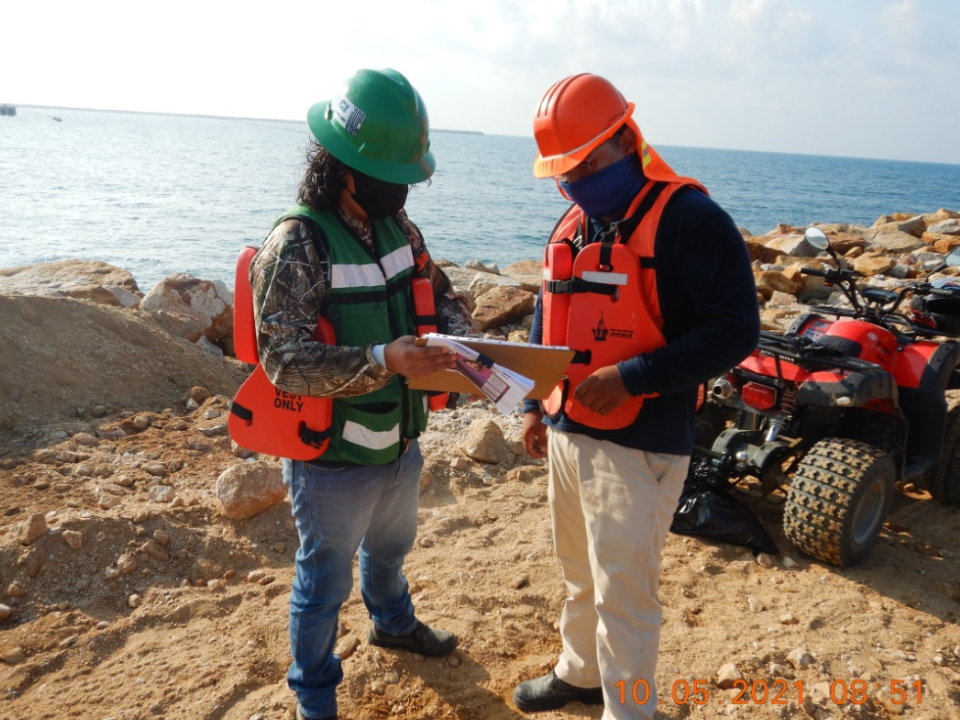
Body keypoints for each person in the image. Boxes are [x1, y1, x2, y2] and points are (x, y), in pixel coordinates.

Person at [513, 74, 760, 719]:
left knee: (625, 592)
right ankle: (580, 672)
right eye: (563, 170)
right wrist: (532, 405)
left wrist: (632, 377)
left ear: (627, 138)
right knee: (579, 572)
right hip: (568, 432)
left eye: (588, 164)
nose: (574, 181)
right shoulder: (574, 222)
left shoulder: (692, 220)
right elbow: (548, 315)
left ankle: (628, 711)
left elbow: (736, 330)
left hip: (641, 443)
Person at [249, 68, 475, 720]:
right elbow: (284, 363)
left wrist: (471, 350)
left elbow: (438, 293)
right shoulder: (298, 242)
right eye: (395, 175)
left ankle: (393, 623)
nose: (404, 189)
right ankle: (314, 699)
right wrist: (383, 360)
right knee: (323, 583)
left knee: (390, 551)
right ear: (348, 169)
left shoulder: (400, 226)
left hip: (399, 442)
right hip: (332, 460)